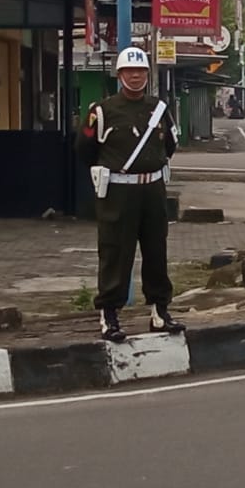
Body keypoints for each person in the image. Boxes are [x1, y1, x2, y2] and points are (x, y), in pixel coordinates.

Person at [76, 46, 184, 343]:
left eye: (140, 71)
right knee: (115, 251)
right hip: (118, 191)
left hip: (152, 189)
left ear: (147, 75)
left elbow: (170, 146)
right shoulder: (102, 111)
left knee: (156, 250)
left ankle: (160, 312)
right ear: (119, 74)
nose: (135, 76)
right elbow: (84, 150)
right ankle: (109, 315)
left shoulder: (159, 109)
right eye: (129, 71)